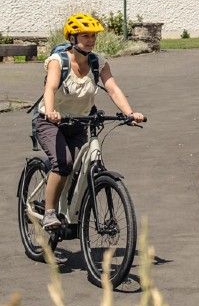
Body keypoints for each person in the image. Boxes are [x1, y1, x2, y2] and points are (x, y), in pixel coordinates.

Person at [34, 13, 146, 233]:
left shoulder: (97, 62)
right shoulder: (58, 62)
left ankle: (68, 212)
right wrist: (51, 111)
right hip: (51, 123)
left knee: (78, 170)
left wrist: (130, 113)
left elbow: (112, 88)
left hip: (79, 122)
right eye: (85, 36)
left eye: (93, 36)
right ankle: (49, 212)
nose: (91, 40)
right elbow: (50, 88)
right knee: (63, 164)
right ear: (72, 38)